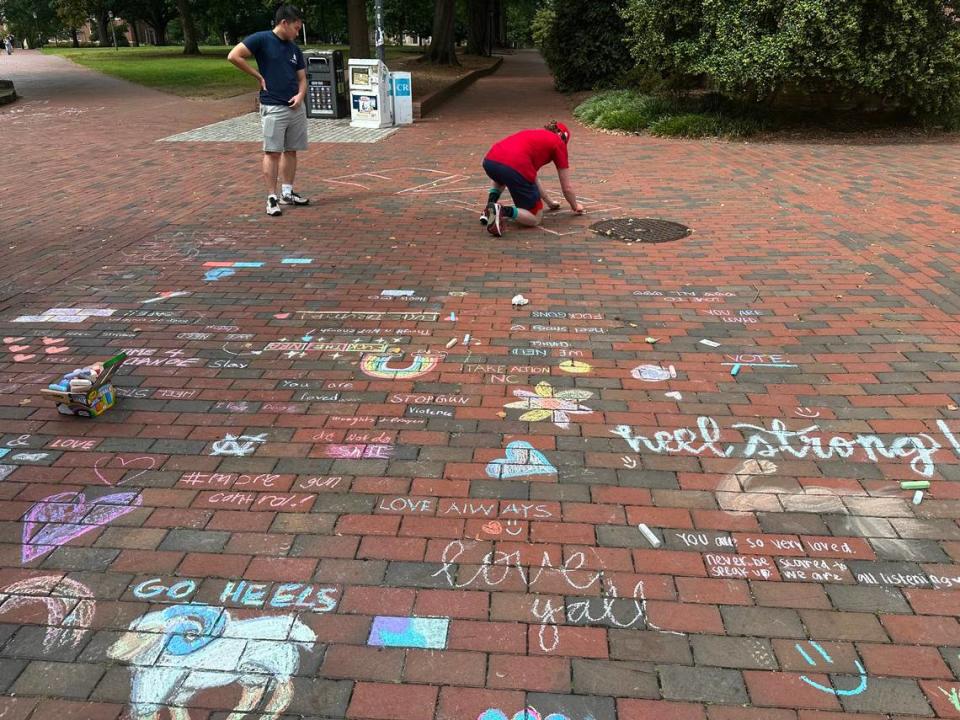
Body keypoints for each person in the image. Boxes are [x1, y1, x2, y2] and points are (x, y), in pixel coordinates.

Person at [228, 5, 309, 217]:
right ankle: (272, 197)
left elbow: (302, 78)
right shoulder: (261, 39)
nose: (297, 33)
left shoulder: (294, 49)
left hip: (295, 107)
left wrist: (300, 96)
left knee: (291, 150)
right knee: (272, 152)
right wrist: (258, 76)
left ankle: (287, 192)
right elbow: (234, 56)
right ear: (284, 23)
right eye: (296, 28)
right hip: (273, 106)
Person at [480, 121, 584, 237]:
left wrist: (549, 202)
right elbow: (567, 188)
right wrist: (575, 206)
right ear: (563, 137)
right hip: (515, 167)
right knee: (535, 217)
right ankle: (501, 210)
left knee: (502, 174)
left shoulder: (534, 134)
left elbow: (533, 177)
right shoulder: (559, 144)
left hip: (490, 161)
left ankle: (488, 208)